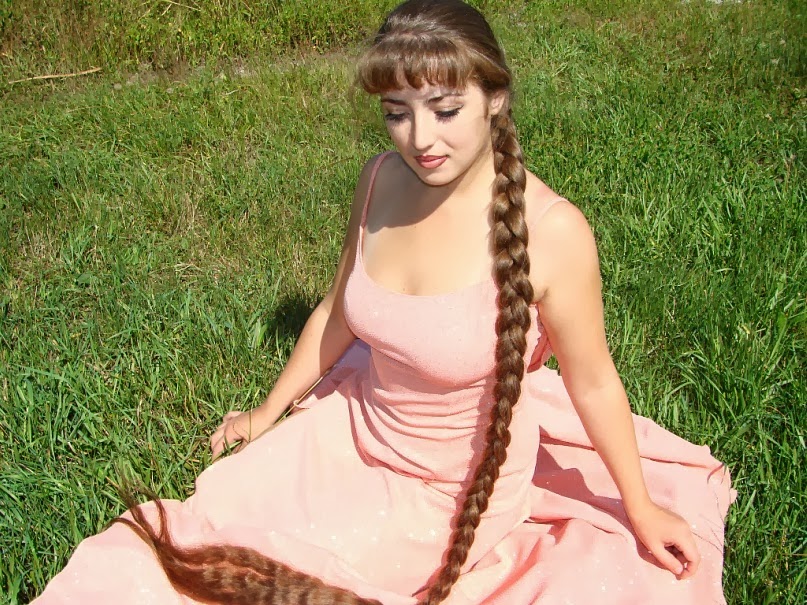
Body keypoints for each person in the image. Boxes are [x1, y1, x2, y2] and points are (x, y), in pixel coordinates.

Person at [31, 1, 734, 604]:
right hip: (354, 428)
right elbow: (337, 312)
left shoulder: (553, 233)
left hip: (451, 490)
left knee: (286, 584)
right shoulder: (379, 179)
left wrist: (639, 506)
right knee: (192, 552)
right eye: (397, 113)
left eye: (445, 110)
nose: (419, 139)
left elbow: (593, 381)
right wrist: (266, 413)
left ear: (495, 98)